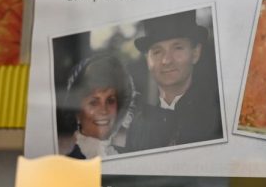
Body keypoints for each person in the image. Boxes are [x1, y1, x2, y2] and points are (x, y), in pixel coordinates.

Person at [124, 10, 224, 151]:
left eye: (177, 48)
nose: (166, 60)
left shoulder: (220, 117)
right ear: (148, 60)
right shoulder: (138, 126)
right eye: (157, 51)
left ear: (195, 53)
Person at [63, 50, 134, 158]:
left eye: (110, 100)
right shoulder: (66, 160)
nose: (103, 110)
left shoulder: (125, 157)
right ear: (77, 111)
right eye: (94, 102)